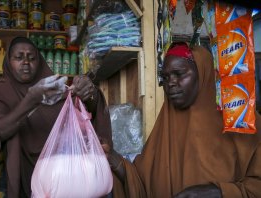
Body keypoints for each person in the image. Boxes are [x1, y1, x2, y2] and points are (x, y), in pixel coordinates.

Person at [103, 42, 261, 198]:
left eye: (179, 74)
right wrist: (113, 159)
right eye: (165, 77)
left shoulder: (243, 122)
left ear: (203, 74)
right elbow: (140, 183)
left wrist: (219, 192)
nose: (170, 83)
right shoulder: (165, 127)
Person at [0, 37, 113, 197]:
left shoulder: (54, 87)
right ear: (8, 61)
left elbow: (86, 110)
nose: (25, 62)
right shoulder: (1, 89)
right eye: (19, 57)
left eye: (31, 58)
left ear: (40, 61)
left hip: (62, 177)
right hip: (21, 173)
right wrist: (31, 100)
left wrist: (90, 93)